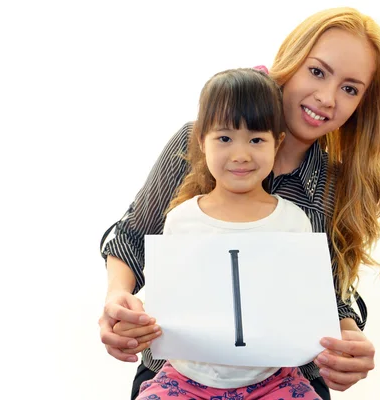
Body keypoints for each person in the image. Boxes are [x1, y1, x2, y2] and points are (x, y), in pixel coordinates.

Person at [99, 6, 380, 400]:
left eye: (350, 88)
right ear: (290, 64)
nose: (326, 97)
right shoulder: (198, 144)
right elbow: (134, 236)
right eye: (317, 71)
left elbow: (328, 288)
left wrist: (347, 335)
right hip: (179, 379)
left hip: (288, 381)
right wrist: (117, 302)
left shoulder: (336, 184)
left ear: (362, 104)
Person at [116, 67, 321, 400]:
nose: (240, 154)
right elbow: (167, 300)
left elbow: (301, 304)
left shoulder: (294, 221)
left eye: (256, 140)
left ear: (277, 143)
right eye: (224, 138)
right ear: (201, 141)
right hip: (185, 377)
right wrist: (138, 318)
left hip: (272, 378)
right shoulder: (182, 220)